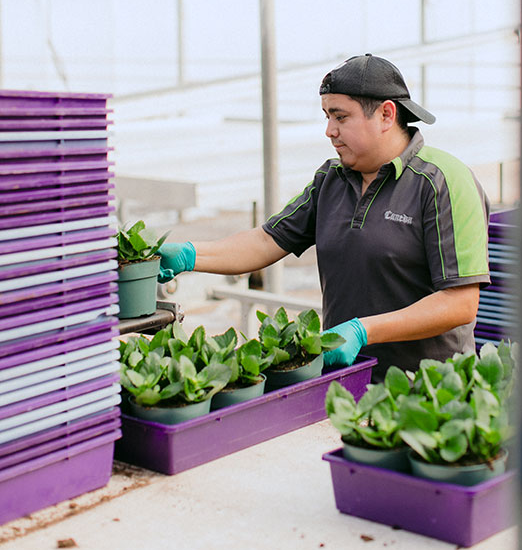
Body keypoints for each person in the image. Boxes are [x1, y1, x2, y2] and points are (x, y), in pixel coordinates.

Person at [157, 53, 491, 381]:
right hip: (345, 380)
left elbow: (459, 303)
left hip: (432, 391)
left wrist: (365, 331)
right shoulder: (331, 180)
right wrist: (188, 255)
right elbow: (264, 241)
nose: (329, 131)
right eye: (326, 117)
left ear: (387, 115)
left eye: (340, 117)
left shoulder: (442, 181)